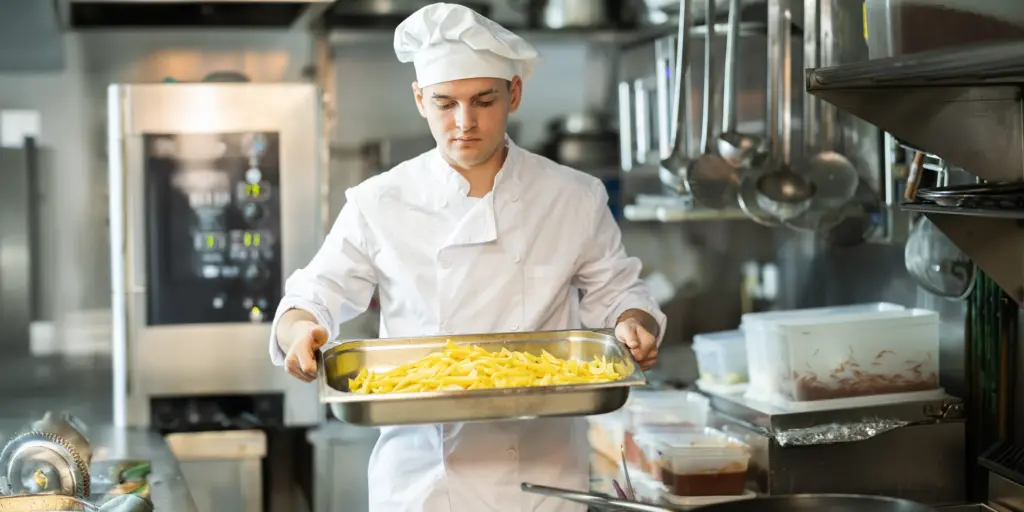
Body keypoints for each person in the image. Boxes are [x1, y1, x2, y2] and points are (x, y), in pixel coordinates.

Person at [269, 3, 667, 511]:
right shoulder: (379, 201)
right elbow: (310, 297)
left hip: (543, 483)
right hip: (423, 483)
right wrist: (300, 332)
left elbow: (621, 298)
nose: (465, 123)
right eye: (445, 103)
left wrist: (634, 324)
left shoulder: (574, 196)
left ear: (514, 93)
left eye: (483, 101)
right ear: (419, 99)